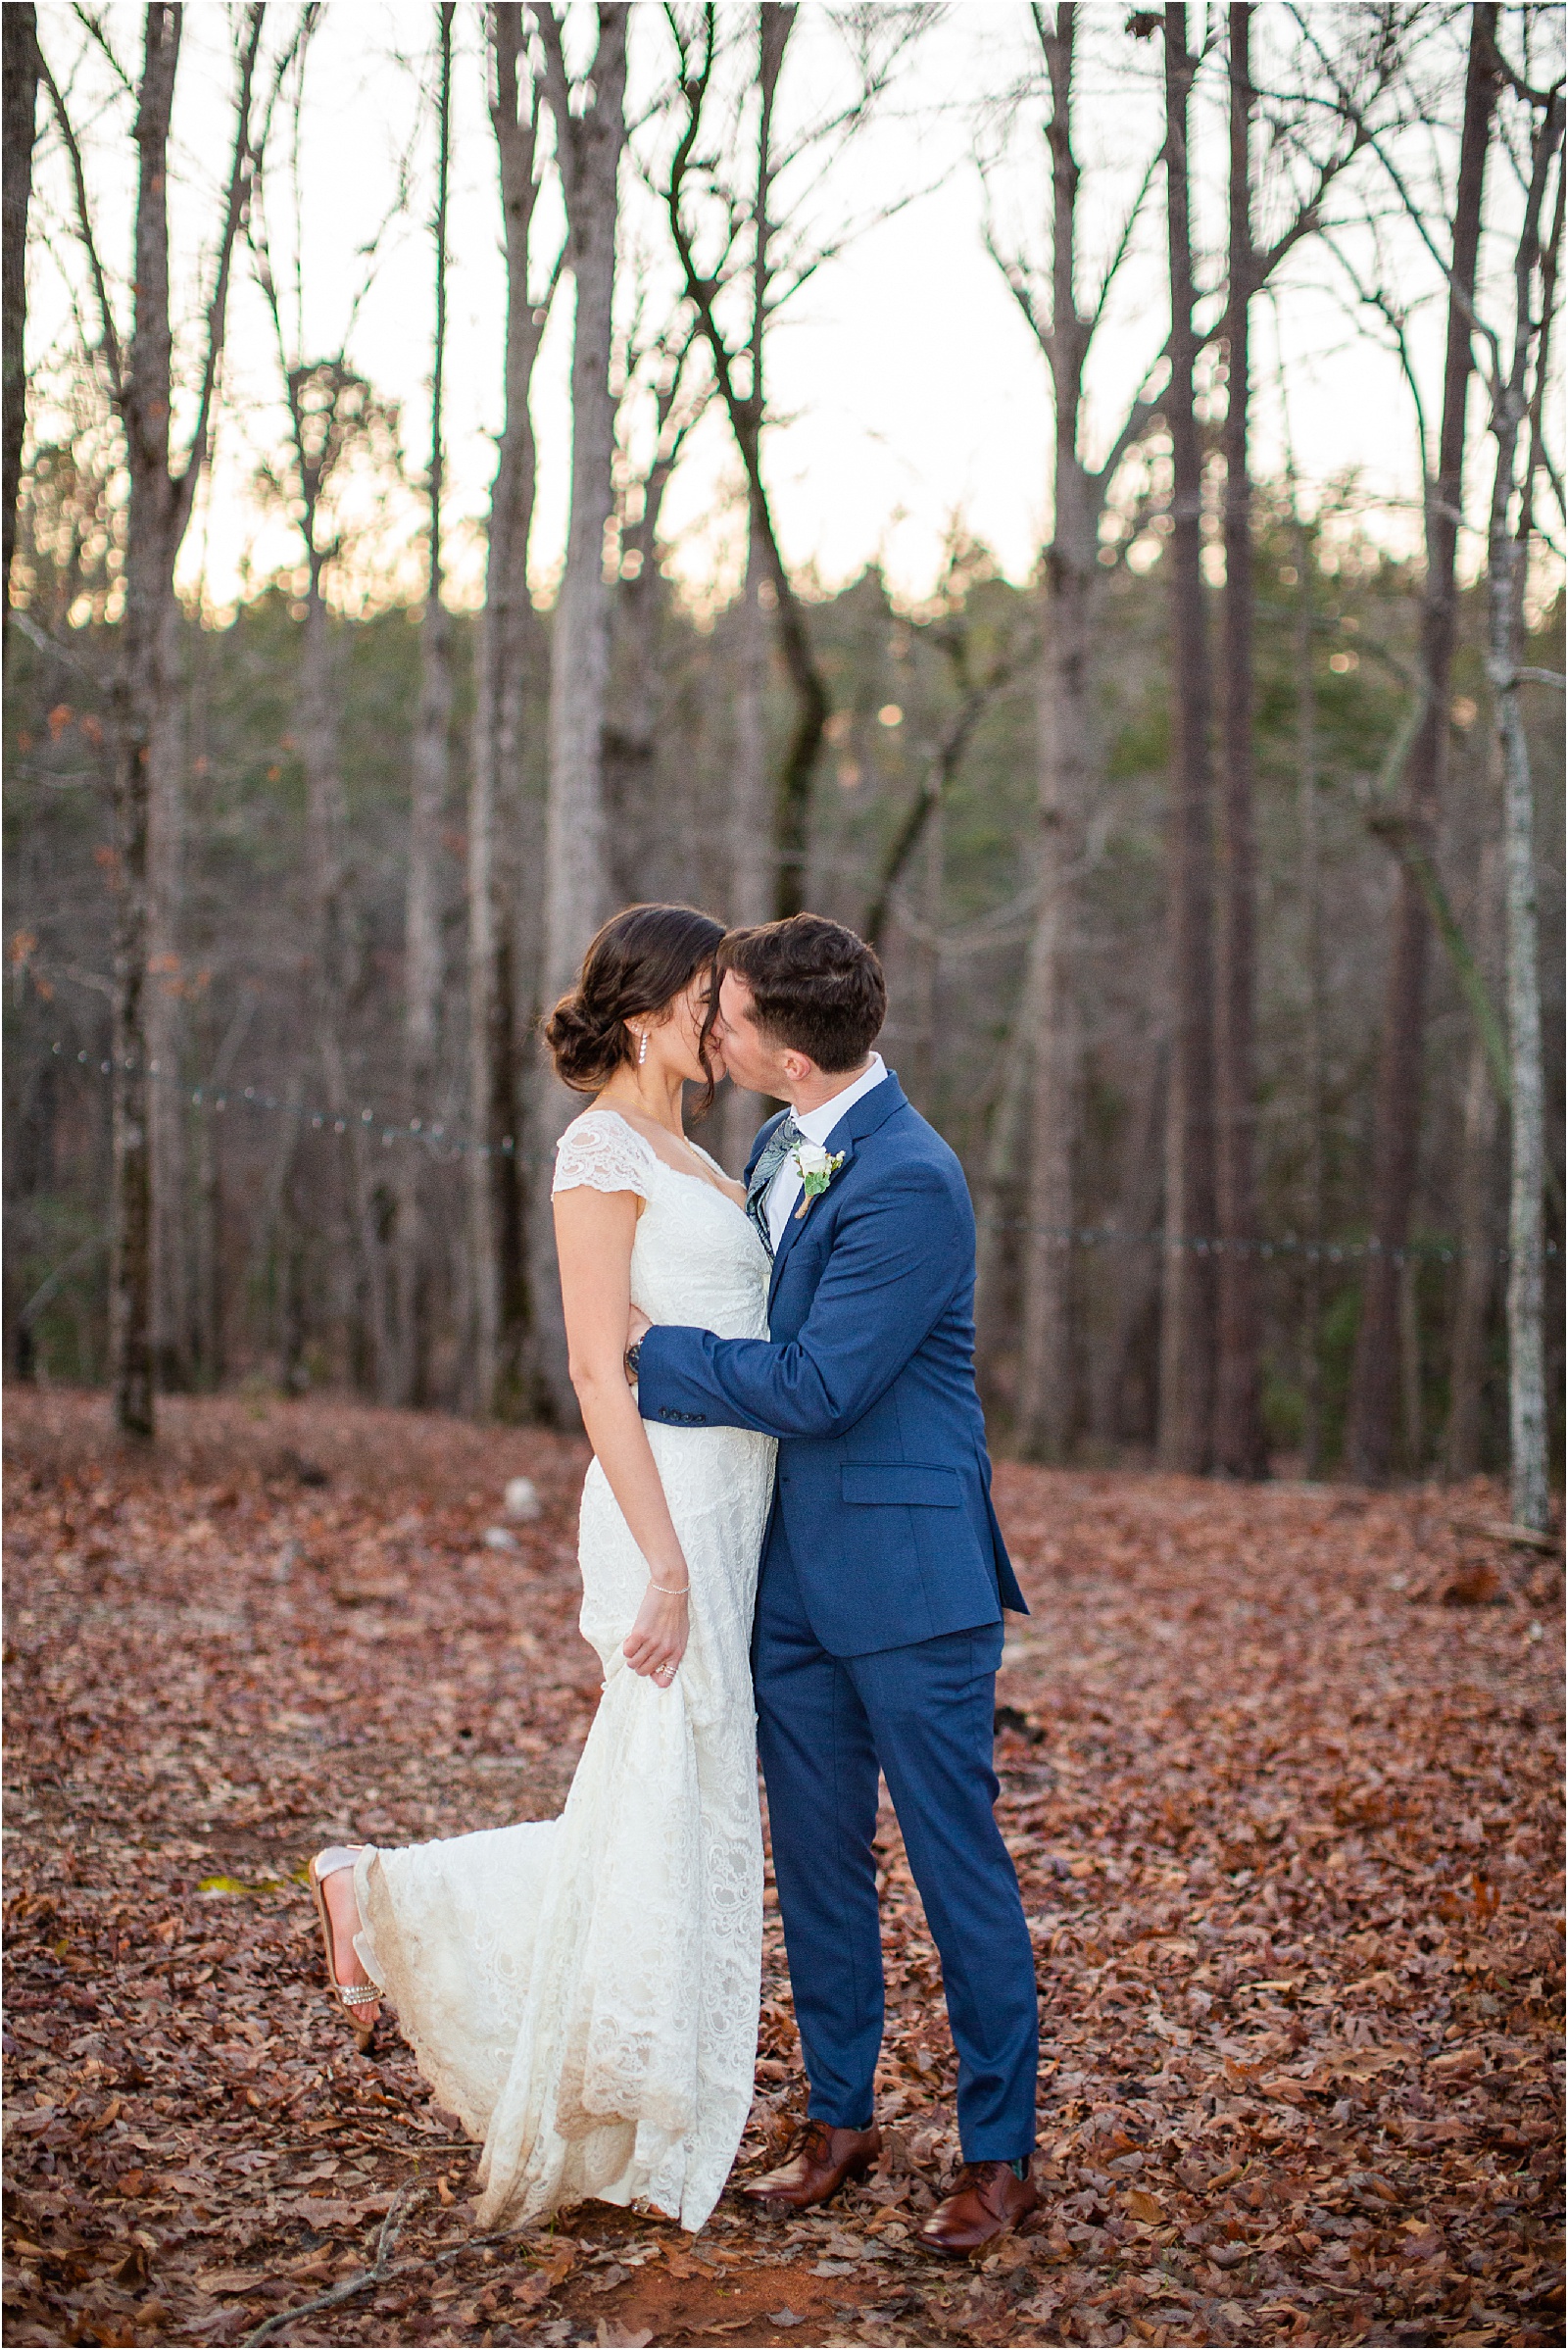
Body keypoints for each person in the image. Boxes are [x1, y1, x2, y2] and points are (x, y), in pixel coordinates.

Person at [308, 904, 776, 2235]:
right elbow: (592, 1363)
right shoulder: (600, 1149)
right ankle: (383, 1891)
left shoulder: (700, 1151)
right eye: (702, 997)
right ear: (643, 1012)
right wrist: (668, 1561)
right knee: (655, 1794)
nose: (719, 1019)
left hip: (735, 1507)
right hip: (664, 1504)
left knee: (667, 1817)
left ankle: (636, 2092)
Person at [627, 912, 1041, 2256]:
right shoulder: (774, 1143)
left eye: (729, 1015)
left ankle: (998, 2153)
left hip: (917, 1586)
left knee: (952, 1866)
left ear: (791, 1058)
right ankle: (840, 2113)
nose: (713, 1030)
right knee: (816, 1861)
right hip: (793, 1580)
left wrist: (650, 1354)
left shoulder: (910, 1177)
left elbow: (819, 1385)